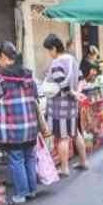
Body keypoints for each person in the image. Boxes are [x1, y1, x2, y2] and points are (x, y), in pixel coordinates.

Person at [0, 42, 41, 205]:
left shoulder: (0, 77)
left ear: (3, 56)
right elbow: (35, 95)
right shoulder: (28, 74)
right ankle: (31, 190)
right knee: (29, 157)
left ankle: (21, 194)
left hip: (14, 128)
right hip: (30, 125)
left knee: (16, 159)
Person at [42, 33, 88, 177]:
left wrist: (73, 93)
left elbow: (63, 86)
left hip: (59, 107)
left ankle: (64, 168)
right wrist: (78, 93)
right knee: (76, 133)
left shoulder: (57, 63)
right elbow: (81, 78)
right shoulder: (72, 59)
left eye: (49, 50)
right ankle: (84, 161)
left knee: (62, 137)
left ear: (54, 48)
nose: (49, 54)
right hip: (73, 106)